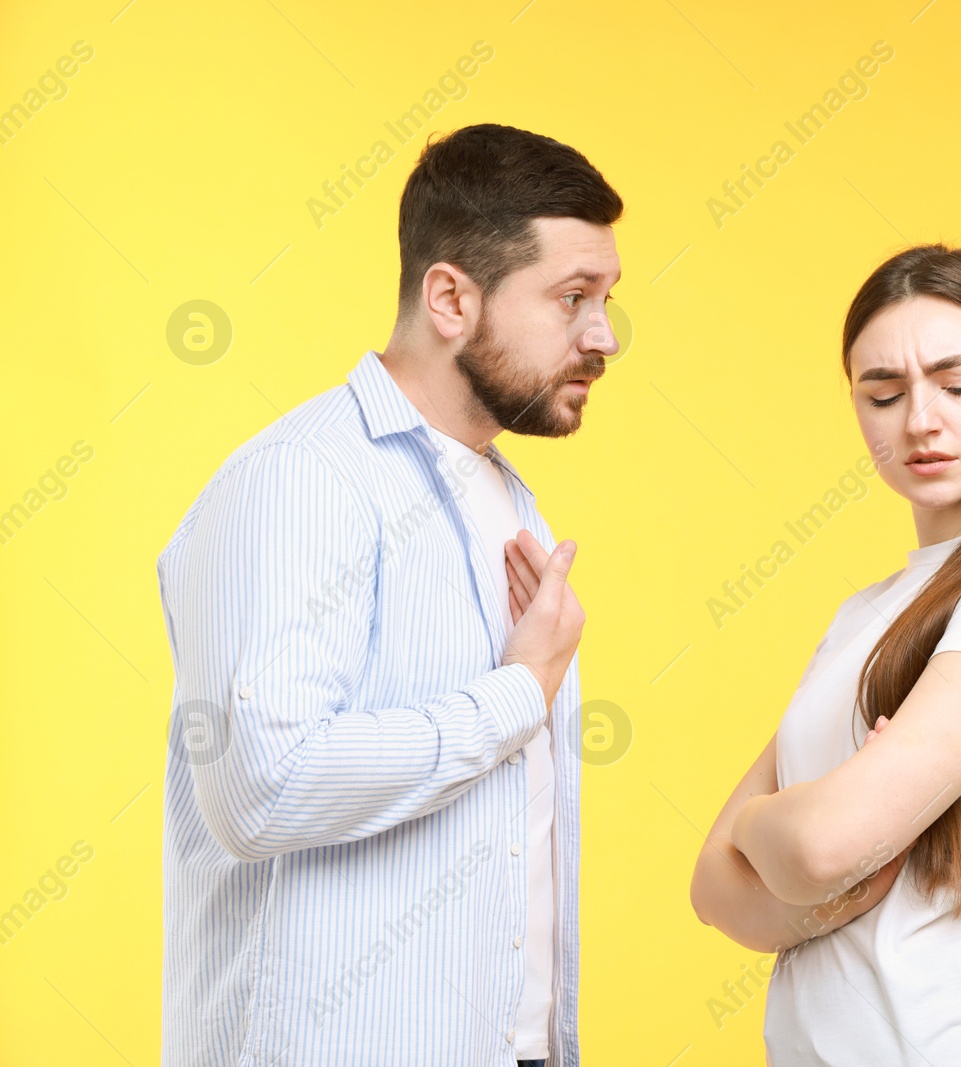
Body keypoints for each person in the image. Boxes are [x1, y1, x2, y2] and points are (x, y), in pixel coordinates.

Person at [155, 124, 622, 1067]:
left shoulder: (504, 495)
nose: (605, 336)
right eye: (573, 298)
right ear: (450, 297)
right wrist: (516, 693)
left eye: (607, 299)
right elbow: (261, 782)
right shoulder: (305, 479)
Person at [686, 244, 961, 1064]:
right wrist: (818, 876)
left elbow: (817, 849)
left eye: (958, 385)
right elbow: (711, 887)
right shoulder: (862, 615)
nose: (920, 419)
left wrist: (761, 827)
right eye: (883, 393)